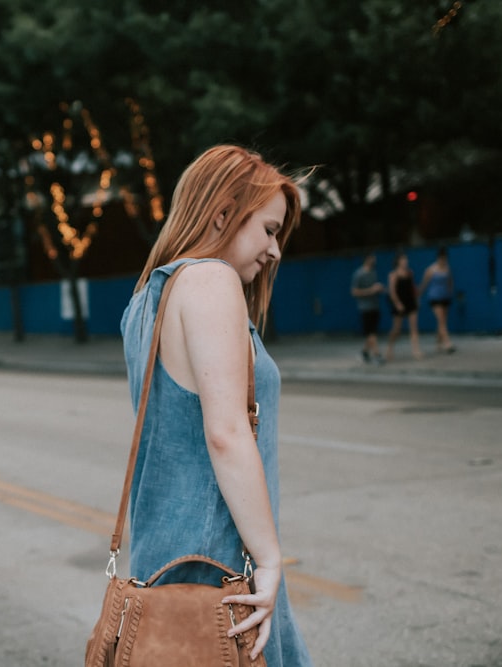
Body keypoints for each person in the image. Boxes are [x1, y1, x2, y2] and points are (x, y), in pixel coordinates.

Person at [121, 145, 312, 666]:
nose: (275, 251)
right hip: (221, 573)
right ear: (224, 212)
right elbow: (226, 431)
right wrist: (270, 560)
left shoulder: (146, 302)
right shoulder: (209, 280)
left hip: (169, 564)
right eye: (269, 230)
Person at [386, 251, 423, 360]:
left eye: (406, 259)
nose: (405, 261)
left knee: (414, 328)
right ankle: (390, 347)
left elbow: (413, 288)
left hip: (410, 302)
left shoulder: (409, 273)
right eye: (403, 259)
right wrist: (397, 304)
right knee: (396, 330)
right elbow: (392, 292)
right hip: (399, 303)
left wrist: (416, 299)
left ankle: (416, 350)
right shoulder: (393, 275)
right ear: (398, 261)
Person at [420, 246, 456, 353]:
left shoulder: (447, 268)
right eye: (441, 258)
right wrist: (418, 294)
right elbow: (424, 284)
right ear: (438, 258)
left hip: (445, 297)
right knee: (441, 320)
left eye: (444, 259)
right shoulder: (431, 270)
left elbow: (450, 281)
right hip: (434, 298)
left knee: (442, 321)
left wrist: (450, 292)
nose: (443, 261)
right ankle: (447, 343)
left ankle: (438, 343)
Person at [351, 253, 385, 364]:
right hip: (365, 307)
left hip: (375, 305)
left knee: (372, 332)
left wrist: (379, 289)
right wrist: (370, 290)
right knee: (371, 332)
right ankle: (377, 355)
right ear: (367, 259)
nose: (374, 260)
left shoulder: (373, 273)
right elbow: (354, 291)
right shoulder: (359, 274)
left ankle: (364, 352)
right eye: (372, 258)